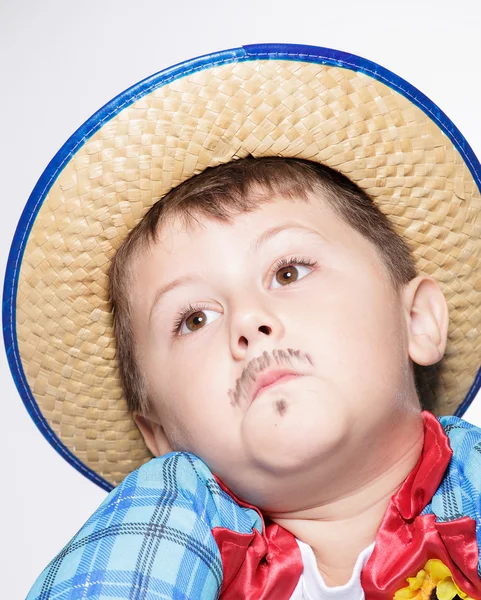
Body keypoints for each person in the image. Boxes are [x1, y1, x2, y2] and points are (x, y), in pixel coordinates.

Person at [8, 45, 481, 599]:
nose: (249, 322)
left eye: (287, 272)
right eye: (194, 318)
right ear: (160, 435)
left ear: (417, 321)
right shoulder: (174, 508)